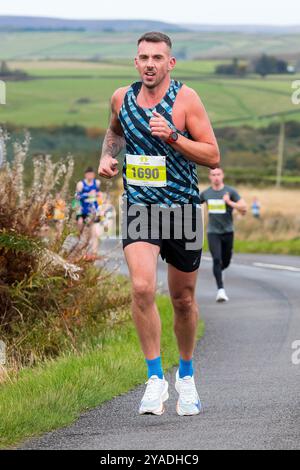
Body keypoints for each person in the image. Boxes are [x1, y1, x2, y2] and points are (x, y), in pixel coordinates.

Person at [98, 32, 220, 416]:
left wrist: (174, 136)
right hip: (139, 207)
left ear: (171, 63)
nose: (149, 63)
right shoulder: (121, 98)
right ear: (136, 62)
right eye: (143, 57)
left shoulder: (186, 99)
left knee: (183, 301)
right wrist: (106, 157)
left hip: (182, 209)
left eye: (157, 57)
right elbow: (115, 131)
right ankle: (154, 378)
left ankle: (185, 375)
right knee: (141, 287)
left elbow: (212, 154)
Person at [200, 168, 247, 302]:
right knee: (216, 259)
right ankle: (221, 290)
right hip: (212, 232)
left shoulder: (230, 191)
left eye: (218, 174)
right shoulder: (206, 193)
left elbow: (244, 208)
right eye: (213, 175)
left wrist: (229, 202)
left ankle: (219, 271)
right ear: (210, 177)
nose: (216, 177)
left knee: (225, 261)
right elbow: (194, 204)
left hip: (228, 231)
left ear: (223, 176)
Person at [75, 167, 102, 260]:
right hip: (83, 211)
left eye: (92, 174)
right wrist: (87, 194)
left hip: (94, 211)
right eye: (89, 174)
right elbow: (76, 197)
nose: (90, 176)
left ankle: (94, 253)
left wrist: (98, 197)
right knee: (82, 233)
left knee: (95, 233)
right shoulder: (81, 184)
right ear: (86, 175)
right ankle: (82, 251)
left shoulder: (97, 183)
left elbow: (99, 195)